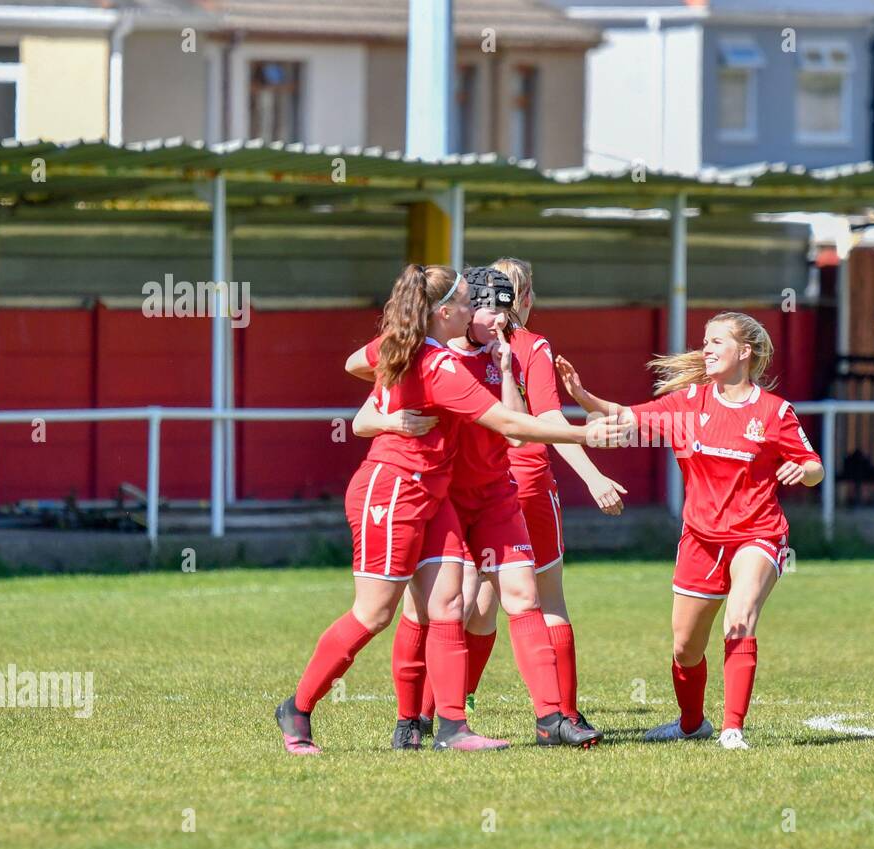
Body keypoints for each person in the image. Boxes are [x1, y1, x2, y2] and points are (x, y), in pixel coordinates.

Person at [274, 264, 621, 754]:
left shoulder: (438, 350)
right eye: (471, 303)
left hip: (439, 494)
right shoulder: (438, 364)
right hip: (393, 491)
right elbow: (507, 422)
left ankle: (460, 726)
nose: (498, 317)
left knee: (452, 604)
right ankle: (300, 706)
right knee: (376, 613)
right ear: (447, 313)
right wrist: (586, 433)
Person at [556, 311, 823, 749]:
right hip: (699, 538)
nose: (707, 349)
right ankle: (691, 723)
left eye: (718, 341)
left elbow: (815, 467)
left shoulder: (774, 413)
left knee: (739, 619)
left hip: (758, 534)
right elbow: (625, 418)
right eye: (706, 341)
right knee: (685, 649)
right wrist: (584, 396)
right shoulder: (688, 405)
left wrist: (803, 469)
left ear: (745, 351)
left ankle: (733, 729)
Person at [435, 256, 626, 735]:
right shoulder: (530, 345)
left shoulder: (449, 348)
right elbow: (550, 420)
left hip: (469, 486)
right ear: (524, 299)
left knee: (471, 605)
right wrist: (592, 474)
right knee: (545, 600)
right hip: (523, 483)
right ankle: (561, 713)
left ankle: (448, 709)